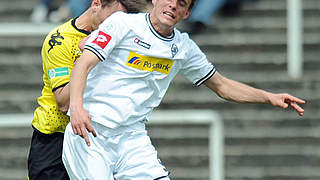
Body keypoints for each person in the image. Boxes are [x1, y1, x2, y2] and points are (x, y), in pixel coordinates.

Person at [62, 0, 305, 179]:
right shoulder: (122, 24)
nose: (173, 5)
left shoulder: (183, 48)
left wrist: (268, 97)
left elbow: (221, 86)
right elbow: (84, 63)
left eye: (182, 3)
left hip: (132, 138)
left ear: (187, 12)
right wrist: (77, 108)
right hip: (90, 131)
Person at [27, 0, 146, 179]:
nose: (116, 25)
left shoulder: (119, 39)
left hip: (97, 138)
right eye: (113, 18)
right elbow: (63, 102)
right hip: (54, 140)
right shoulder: (60, 39)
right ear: (96, 4)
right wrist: (88, 56)